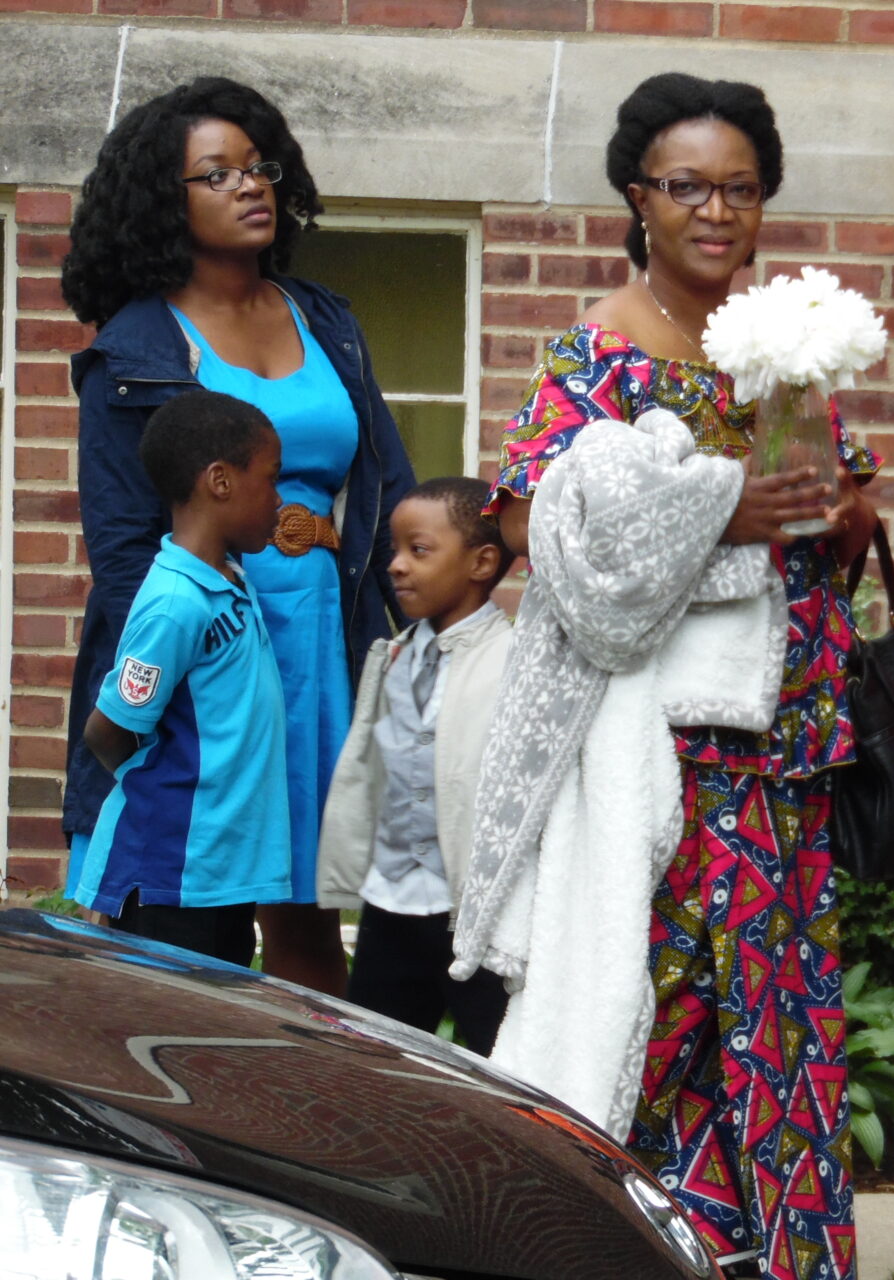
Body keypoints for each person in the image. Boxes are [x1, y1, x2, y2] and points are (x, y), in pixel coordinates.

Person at [453, 73, 876, 1280]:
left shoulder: (781, 354)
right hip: (674, 761)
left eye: (741, 189)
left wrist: (835, 515)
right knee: (674, 1023)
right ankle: (638, 1253)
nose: (716, 211)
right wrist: (728, 509)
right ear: (638, 196)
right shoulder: (600, 350)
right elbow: (542, 530)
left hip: (786, 757)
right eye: (686, 186)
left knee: (781, 1033)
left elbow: (820, 515)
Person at [62, 76, 415, 995]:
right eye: (216, 175)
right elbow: (128, 550)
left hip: (323, 642)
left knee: (310, 912)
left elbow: (387, 488)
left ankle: (314, 1118)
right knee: (193, 917)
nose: (249, 185)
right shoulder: (132, 354)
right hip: (213, 655)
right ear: (161, 203)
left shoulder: (326, 319)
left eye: (258, 166)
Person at [73, 390, 291, 968]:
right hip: (168, 874)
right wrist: (156, 795)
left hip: (219, 875)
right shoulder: (176, 602)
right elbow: (107, 730)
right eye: (270, 479)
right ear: (220, 481)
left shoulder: (229, 579)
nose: (278, 498)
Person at [316, 477, 514, 1054]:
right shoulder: (396, 655)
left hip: (469, 918)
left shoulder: (512, 662)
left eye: (418, 551)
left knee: (495, 1060)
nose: (397, 566)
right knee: (374, 1061)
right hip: (392, 905)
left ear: (481, 562)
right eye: (394, 551)